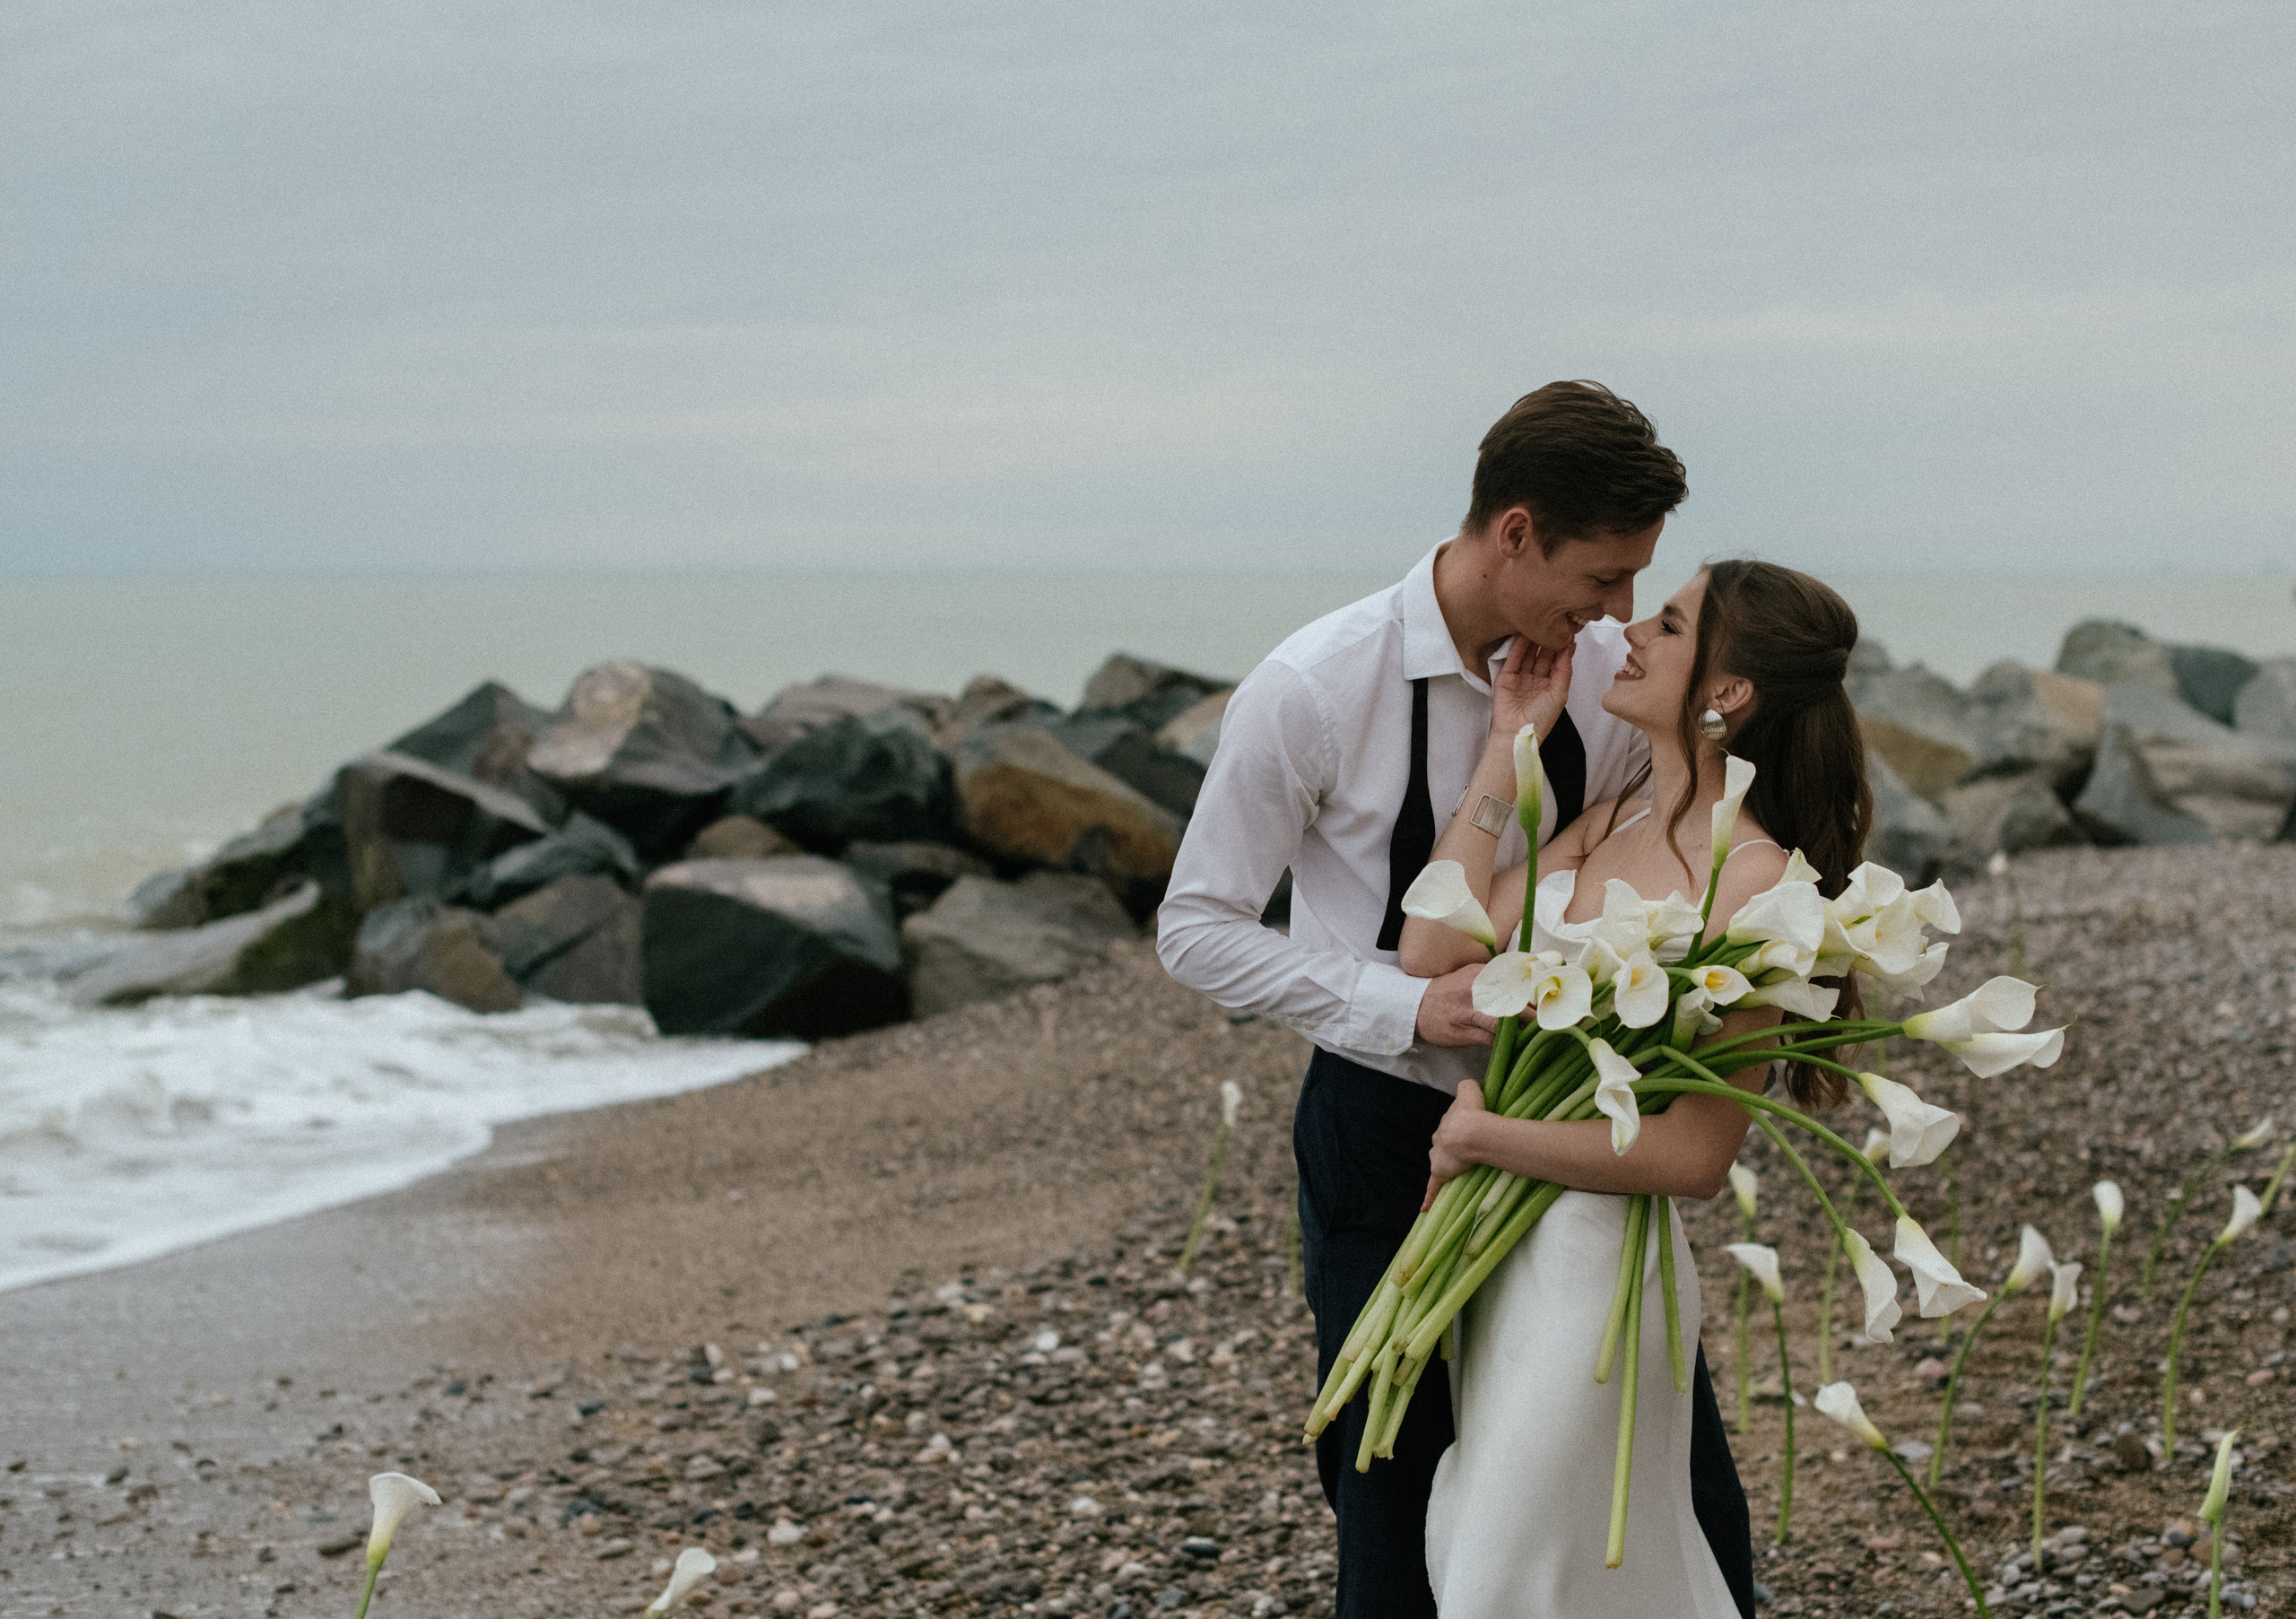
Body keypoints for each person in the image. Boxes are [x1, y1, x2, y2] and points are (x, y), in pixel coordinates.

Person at [1156, 382, 1752, 1619]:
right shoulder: (1315, 686)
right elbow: (1197, 928)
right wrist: (1403, 1011)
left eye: (1640, 584)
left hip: (1572, 1144)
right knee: (1388, 1485)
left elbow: (1668, 851)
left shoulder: (1613, 680)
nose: (1618, 611)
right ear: (1516, 532)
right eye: (1603, 575)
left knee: (1656, 1482)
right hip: (1383, 1125)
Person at [1400, 559, 1873, 1615]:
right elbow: (1431, 945)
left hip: (1595, 1271)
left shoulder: (1760, 882)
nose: (1629, 635)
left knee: (1506, 1579)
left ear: (1727, 690)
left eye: (1666, 623)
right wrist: (1508, 741)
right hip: (1499, 1257)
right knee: (1497, 1550)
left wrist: (1481, 1135)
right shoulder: (1609, 821)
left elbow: (1693, 1155)